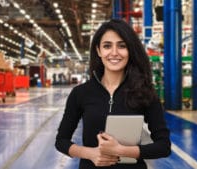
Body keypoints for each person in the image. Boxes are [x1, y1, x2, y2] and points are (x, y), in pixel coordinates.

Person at [55, 19, 171, 169]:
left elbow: (163, 146)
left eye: (122, 46)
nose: (114, 53)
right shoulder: (81, 93)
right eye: (107, 46)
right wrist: (90, 153)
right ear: (98, 50)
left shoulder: (145, 92)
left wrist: (122, 151)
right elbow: (61, 141)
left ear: (130, 50)